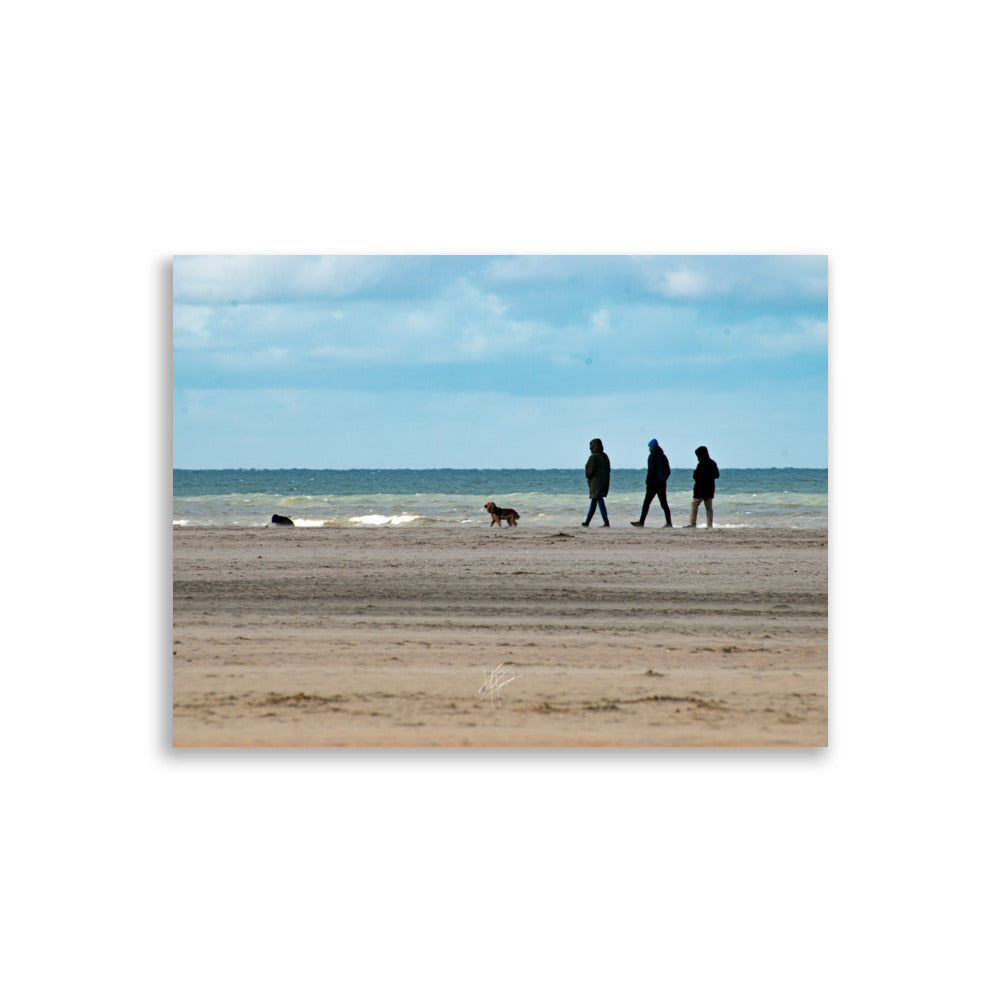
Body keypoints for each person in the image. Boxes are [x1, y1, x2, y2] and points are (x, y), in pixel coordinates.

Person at [631, 438, 672, 527]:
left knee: (646, 503)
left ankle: (641, 522)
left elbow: (651, 471)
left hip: (653, 484)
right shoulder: (664, 456)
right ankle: (669, 522)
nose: (649, 449)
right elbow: (668, 471)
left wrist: (647, 481)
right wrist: (663, 479)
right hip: (662, 484)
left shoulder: (652, 456)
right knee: (664, 504)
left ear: (652, 447)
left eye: (649, 447)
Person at [685, 445, 720, 528]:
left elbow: (696, 477)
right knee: (709, 508)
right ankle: (709, 525)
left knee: (694, 505)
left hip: (700, 489)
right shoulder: (712, 463)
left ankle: (692, 524)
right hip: (710, 489)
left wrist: (695, 473)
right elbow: (717, 475)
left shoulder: (701, 464)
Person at [582, 438, 611, 527]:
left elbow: (589, 472)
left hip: (596, 483)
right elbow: (608, 469)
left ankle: (606, 522)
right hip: (604, 482)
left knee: (599, 501)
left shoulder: (593, 457)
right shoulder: (605, 456)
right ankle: (587, 522)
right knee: (594, 502)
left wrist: (589, 478)